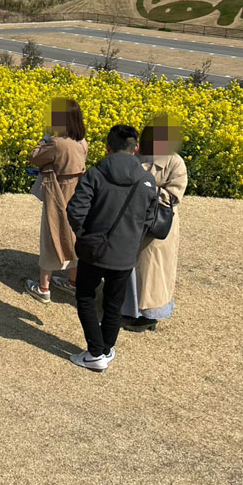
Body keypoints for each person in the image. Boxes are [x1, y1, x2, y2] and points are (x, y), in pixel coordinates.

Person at [66, 125, 158, 372]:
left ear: (107, 147)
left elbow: (75, 211)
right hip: (126, 254)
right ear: (136, 148)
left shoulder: (96, 174)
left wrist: (85, 235)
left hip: (94, 251)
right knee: (114, 303)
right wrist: (133, 239)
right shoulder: (148, 181)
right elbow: (150, 218)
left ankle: (96, 352)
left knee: (85, 297)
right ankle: (106, 348)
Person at [122, 116, 188, 332]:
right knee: (131, 268)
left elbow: (175, 194)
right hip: (134, 221)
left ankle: (149, 316)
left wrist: (149, 190)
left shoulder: (175, 162)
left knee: (153, 272)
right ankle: (130, 310)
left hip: (159, 225)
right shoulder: (137, 155)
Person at [25, 98, 87, 303]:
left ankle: (43, 288)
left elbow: (35, 157)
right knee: (73, 236)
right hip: (78, 193)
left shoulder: (57, 143)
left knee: (51, 235)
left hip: (57, 193)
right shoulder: (82, 142)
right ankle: (73, 282)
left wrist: (44, 139)